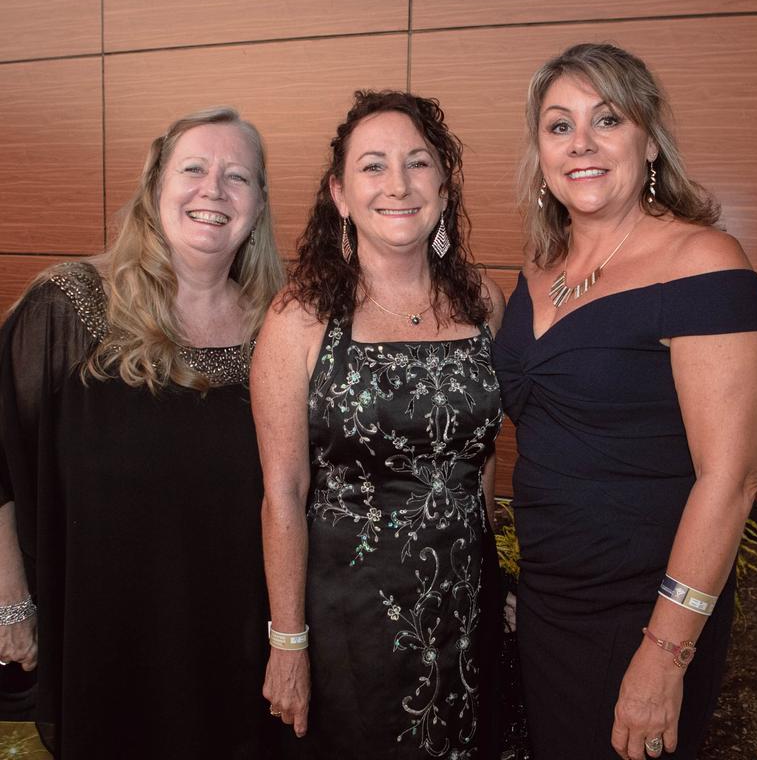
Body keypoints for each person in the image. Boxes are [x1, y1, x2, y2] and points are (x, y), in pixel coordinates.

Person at [492, 42, 757, 760]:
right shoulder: (537, 269)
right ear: (541, 152)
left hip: (645, 614)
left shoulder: (704, 262)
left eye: (606, 119)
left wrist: (665, 655)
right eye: (558, 125)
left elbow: (731, 480)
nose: (580, 143)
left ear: (648, 139)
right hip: (547, 600)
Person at [0, 107, 285, 759]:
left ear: (259, 204)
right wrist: (10, 604)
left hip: (238, 655)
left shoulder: (284, 323)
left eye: (237, 176)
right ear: (156, 185)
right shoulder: (70, 305)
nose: (213, 189)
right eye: (194, 168)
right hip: (108, 647)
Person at [251, 90, 510, 759]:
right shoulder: (299, 318)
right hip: (351, 620)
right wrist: (287, 642)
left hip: (468, 605)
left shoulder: (484, 301)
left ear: (444, 187)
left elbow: (481, 462)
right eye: (372, 166)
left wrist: (503, 577)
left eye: (417, 163)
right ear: (339, 195)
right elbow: (281, 493)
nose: (397, 184)